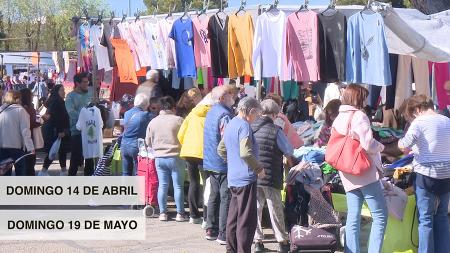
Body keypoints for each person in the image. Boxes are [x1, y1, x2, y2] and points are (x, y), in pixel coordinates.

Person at [332, 84, 387, 253]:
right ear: (358, 98)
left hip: (347, 171)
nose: (365, 101)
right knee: (380, 215)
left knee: (353, 217)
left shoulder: (339, 116)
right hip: (363, 171)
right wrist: (381, 147)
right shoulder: (359, 116)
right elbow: (368, 144)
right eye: (364, 97)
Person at [398, 95, 450, 253]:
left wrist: (400, 143)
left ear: (417, 109)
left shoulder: (419, 122)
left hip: (426, 175)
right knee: (442, 216)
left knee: (426, 219)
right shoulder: (447, 120)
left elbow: (404, 146)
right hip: (447, 174)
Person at [217, 97, 264, 253]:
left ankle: (231, 249)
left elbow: (221, 149)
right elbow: (245, 153)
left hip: (234, 178)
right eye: (257, 114)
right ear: (250, 111)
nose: (257, 118)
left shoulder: (231, 124)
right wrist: (258, 168)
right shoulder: (244, 126)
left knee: (233, 218)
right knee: (246, 220)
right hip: (246, 179)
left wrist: (233, 162)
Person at [250, 99, 292, 253]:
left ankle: (257, 242)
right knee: (275, 208)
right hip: (270, 175)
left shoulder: (251, 128)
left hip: (254, 174)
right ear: (274, 114)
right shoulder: (276, 130)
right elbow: (289, 150)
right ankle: (282, 240)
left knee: (256, 208)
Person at [145, 96, 187, 222]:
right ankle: (180, 213)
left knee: (162, 185)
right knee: (178, 186)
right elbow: (185, 137)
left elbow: (148, 141)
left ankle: (163, 213)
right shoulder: (179, 120)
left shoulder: (153, 122)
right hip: (176, 156)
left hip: (159, 158)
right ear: (173, 107)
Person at [203, 85, 236, 244]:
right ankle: (223, 233)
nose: (233, 97)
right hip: (222, 162)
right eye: (230, 94)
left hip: (211, 160)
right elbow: (227, 140)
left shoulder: (211, 112)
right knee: (225, 197)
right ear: (223, 98)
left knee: (214, 195)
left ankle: (211, 228)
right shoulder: (224, 115)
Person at [178, 93, 214, 225]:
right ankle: (206, 217)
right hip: (206, 153)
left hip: (189, 151)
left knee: (193, 183)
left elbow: (180, 133)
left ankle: (193, 215)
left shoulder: (192, 114)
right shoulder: (213, 115)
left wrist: (187, 145)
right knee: (207, 184)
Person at [0, 91, 35, 176]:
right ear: (18, 98)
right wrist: (30, 147)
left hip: (2, 147)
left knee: (4, 175)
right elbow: (25, 131)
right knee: (20, 174)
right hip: (17, 148)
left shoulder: (1, 110)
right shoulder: (21, 110)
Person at [65, 72, 93, 176]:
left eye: (87, 81)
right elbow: (71, 113)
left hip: (90, 132)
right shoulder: (70, 97)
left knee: (90, 159)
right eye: (84, 82)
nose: (87, 84)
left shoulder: (90, 93)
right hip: (77, 132)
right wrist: (86, 116)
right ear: (77, 83)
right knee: (75, 159)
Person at [39, 85, 70, 176]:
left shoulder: (54, 101)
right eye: (62, 90)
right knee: (54, 150)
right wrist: (61, 131)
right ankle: (43, 171)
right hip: (55, 130)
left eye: (63, 90)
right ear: (57, 92)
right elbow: (57, 118)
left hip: (52, 129)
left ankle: (63, 170)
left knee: (60, 150)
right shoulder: (57, 102)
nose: (64, 92)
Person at [121, 93, 155, 176]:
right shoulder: (146, 115)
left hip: (124, 144)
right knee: (138, 172)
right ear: (146, 104)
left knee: (126, 172)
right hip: (136, 146)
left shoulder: (127, 113)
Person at [19, 88, 41, 176]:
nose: (32, 96)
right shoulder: (25, 108)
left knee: (28, 164)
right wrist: (41, 120)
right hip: (28, 138)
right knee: (29, 164)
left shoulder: (27, 106)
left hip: (26, 138)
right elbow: (30, 123)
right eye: (31, 94)